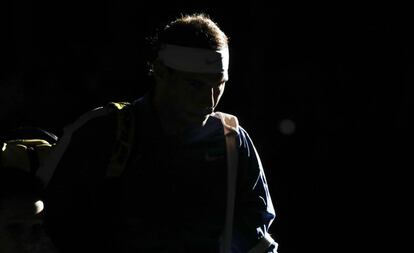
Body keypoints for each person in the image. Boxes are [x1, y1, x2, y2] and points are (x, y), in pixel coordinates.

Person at [40, 13, 278, 252]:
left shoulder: (232, 142)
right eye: (195, 85)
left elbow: (256, 226)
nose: (210, 100)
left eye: (220, 84)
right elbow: (46, 221)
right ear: (161, 72)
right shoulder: (103, 131)